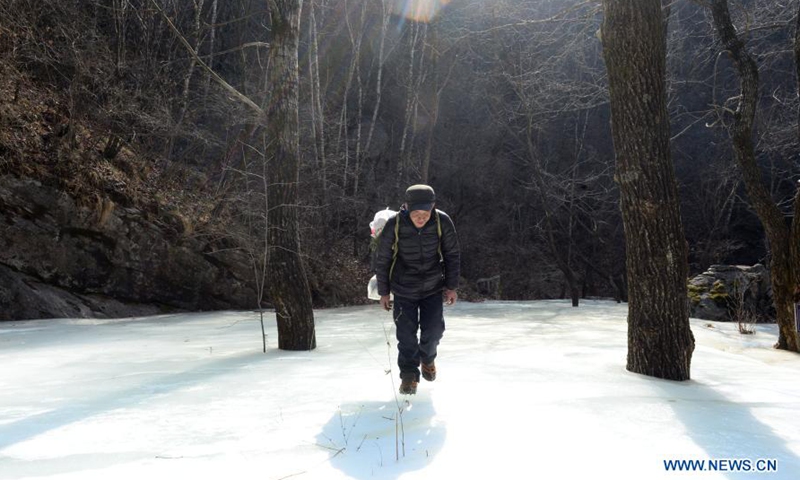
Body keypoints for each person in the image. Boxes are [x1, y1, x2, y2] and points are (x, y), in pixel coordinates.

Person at [374, 184, 460, 395]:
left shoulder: (442, 221)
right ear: (406, 207)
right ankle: (409, 376)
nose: (421, 218)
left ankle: (428, 359)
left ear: (433, 208)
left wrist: (451, 287)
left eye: (426, 213)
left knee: (433, 331)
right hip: (403, 288)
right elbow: (383, 258)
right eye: (416, 213)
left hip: (432, 286)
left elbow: (452, 254)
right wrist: (384, 292)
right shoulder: (395, 224)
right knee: (406, 336)